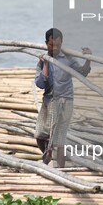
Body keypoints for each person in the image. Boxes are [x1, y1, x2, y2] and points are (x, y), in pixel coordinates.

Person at [34, 28, 91, 168]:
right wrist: (46, 63)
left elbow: (82, 73)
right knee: (40, 134)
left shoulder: (68, 59)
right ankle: (47, 154)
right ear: (46, 43)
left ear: (62, 43)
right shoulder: (42, 61)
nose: (55, 48)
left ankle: (60, 169)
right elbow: (40, 84)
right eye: (52, 45)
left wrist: (88, 60)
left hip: (65, 101)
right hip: (49, 101)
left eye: (58, 45)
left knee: (59, 139)